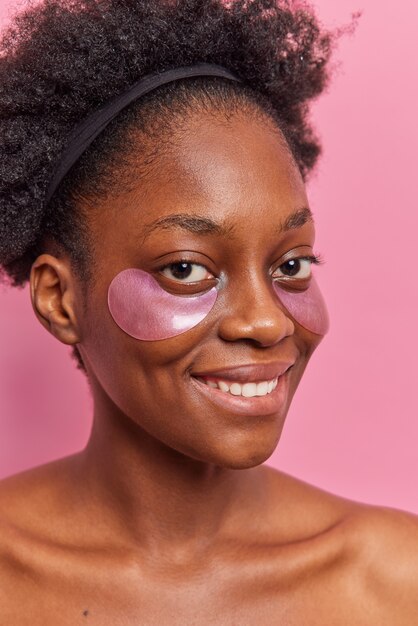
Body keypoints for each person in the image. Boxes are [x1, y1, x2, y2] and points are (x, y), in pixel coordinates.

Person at [0, 0, 417, 622]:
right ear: (60, 299)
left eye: (291, 265)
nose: (267, 322)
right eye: (187, 269)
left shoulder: (392, 582)